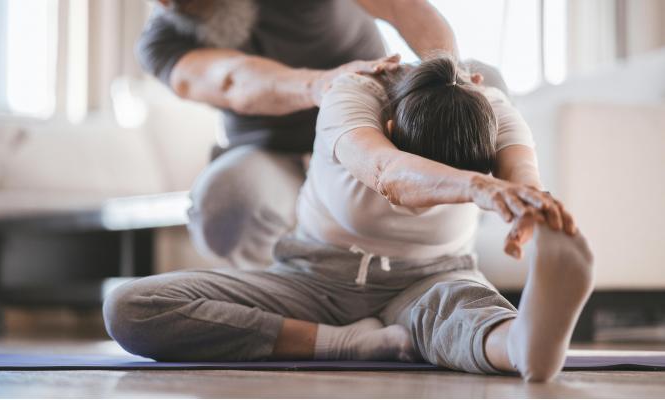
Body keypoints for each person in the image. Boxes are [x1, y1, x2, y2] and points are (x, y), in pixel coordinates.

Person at [103, 50, 595, 382]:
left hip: (431, 278)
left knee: (465, 317)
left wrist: (531, 207)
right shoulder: (354, 95)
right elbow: (385, 170)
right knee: (130, 307)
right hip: (312, 277)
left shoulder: (491, 107)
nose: (428, 205)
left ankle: (524, 344)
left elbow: (524, 176)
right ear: (389, 125)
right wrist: (475, 186)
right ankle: (343, 343)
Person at [138, 0, 462, 269]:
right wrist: (319, 85)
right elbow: (232, 80)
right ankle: (294, 304)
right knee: (224, 207)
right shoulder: (162, 41)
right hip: (273, 154)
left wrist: (447, 74)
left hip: (370, 132)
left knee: (484, 80)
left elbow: (399, 6)